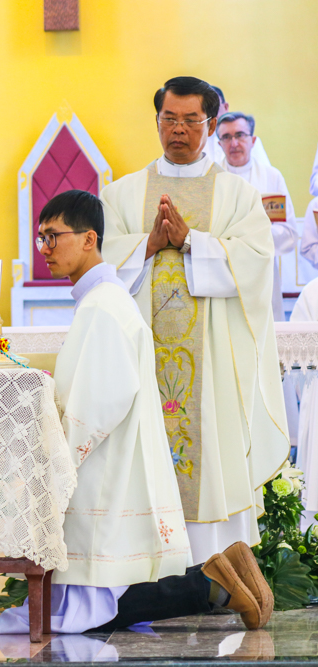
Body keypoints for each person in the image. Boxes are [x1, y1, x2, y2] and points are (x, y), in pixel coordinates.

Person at [0, 188, 272, 634]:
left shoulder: (103, 306)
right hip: (113, 462)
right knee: (93, 593)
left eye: (53, 236)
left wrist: (59, 460)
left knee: (90, 608)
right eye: (41, 238)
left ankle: (209, 583)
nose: (45, 248)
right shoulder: (102, 299)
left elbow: (99, 401)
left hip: (104, 469)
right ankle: (215, 574)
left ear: (89, 239)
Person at [100, 77, 289, 565]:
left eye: (190, 120)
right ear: (157, 121)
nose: (178, 130)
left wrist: (191, 242)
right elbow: (100, 264)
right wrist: (148, 244)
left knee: (209, 456)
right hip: (141, 362)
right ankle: (144, 574)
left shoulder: (238, 196)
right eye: (169, 119)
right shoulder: (121, 196)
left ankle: (215, 574)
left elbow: (256, 264)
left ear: (210, 123)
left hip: (211, 373)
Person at [217, 111, 297, 321]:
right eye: (226, 137)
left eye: (240, 135)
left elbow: (288, 233)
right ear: (219, 144)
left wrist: (251, 234)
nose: (234, 143)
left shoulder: (272, 177)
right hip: (223, 273)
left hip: (263, 273)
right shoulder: (212, 180)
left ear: (252, 140)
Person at [204, 85, 270, 168]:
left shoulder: (248, 139)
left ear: (225, 107)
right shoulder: (195, 142)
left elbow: (264, 173)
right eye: (203, 109)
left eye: (213, 107)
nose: (209, 113)